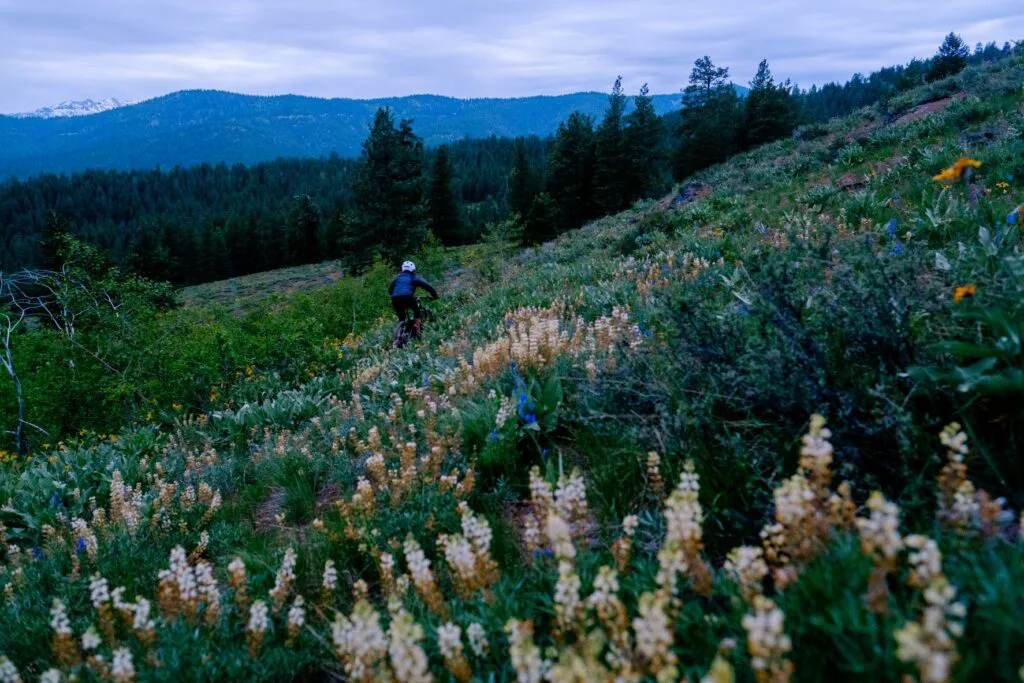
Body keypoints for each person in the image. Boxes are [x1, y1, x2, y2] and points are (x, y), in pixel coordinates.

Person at [389, 261, 437, 329]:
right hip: (407, 297)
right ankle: (417, 328)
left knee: (401, 317)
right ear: (413, 269)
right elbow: (427, 286)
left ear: (403, 269)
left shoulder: (397, 278)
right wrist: (434, 295)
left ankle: (399, 333)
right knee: (416, 310)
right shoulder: (414, 277)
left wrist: (395, 295)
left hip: (395, 298)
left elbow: (390, 289)